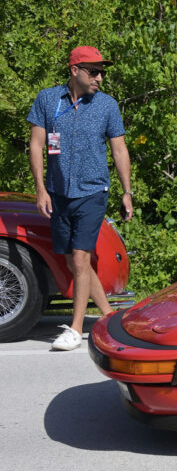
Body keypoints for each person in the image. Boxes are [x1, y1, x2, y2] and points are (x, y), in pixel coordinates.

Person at [27, 45, 134, 351]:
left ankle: (75, 329)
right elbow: (36, 145)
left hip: (93, 191)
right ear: (75, 71)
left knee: (80, 257)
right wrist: (40, 189)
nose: (100, 77)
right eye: (94, 71)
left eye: (103, 72)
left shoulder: (107, 106)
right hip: (59, 193)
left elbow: (119, 149)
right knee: (74, 262)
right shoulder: (47, 100)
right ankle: (109, 315)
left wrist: (127, 192)